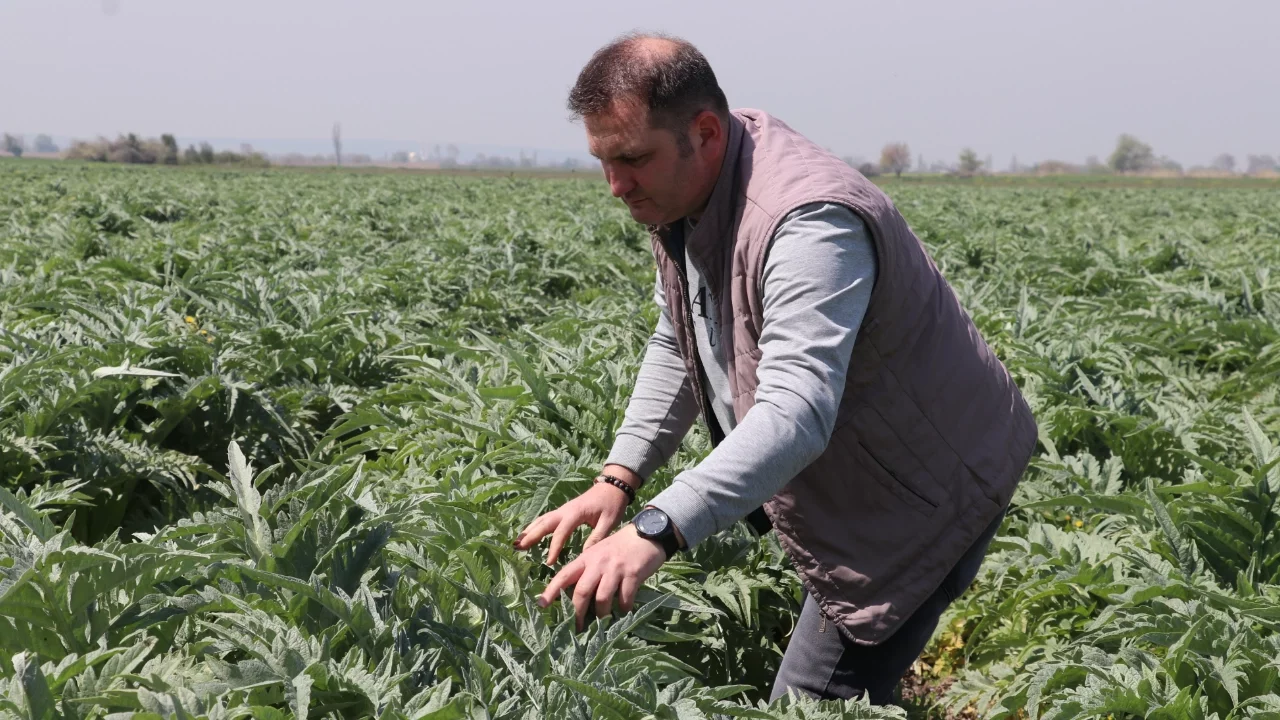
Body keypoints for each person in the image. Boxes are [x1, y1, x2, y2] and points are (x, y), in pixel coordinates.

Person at [512, 32, 1037, 704]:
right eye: (603, 162)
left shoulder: (810, 222)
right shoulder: (684, 197)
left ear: (703, 132)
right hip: (864, 482)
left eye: (633, 159)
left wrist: (657, 528)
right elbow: (680, 338)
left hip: (925, 496)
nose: (616, 186)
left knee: (809, 703)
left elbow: (796, 414)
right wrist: (619, 477)